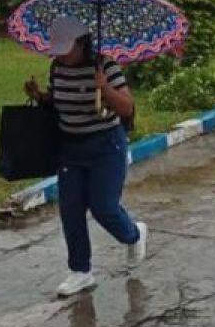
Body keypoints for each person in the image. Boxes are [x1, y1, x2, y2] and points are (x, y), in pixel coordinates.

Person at [23, 15, 147, 297]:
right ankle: (80, 271)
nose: (62, 55)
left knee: (104, 207)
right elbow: (59, 100)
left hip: (106, 146)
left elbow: (127, 108)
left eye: (67, 49)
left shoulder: (106, 66)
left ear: (82, 44)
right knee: (71, 210)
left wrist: (104, 88)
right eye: (58, 50)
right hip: (71, 148)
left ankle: (134, 235)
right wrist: (40, 96)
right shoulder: (57, 68)